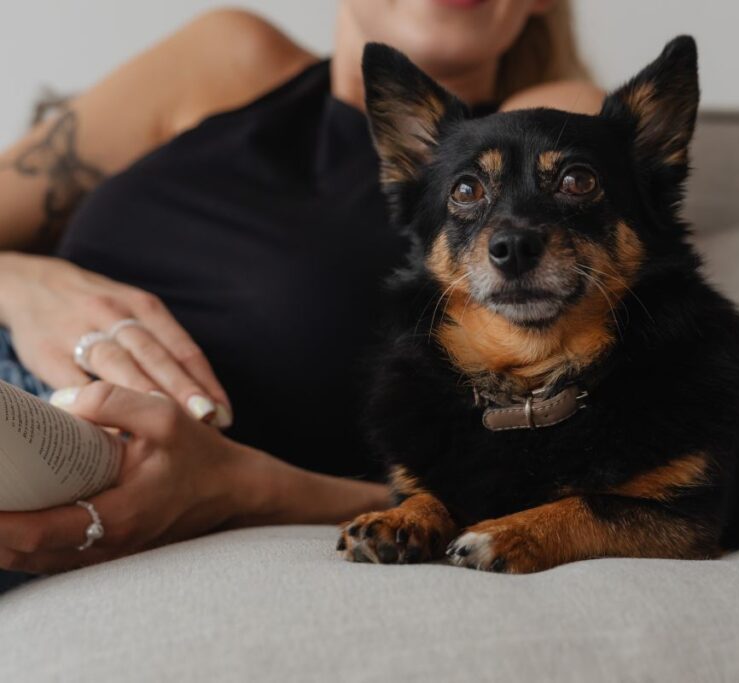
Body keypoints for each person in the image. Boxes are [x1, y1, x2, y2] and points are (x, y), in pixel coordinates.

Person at [0, 0, 603, 590]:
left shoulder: (556, 134)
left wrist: (243, 489)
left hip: (76, 471)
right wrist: (29, 285)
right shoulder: (224, 54)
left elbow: (529, 480)